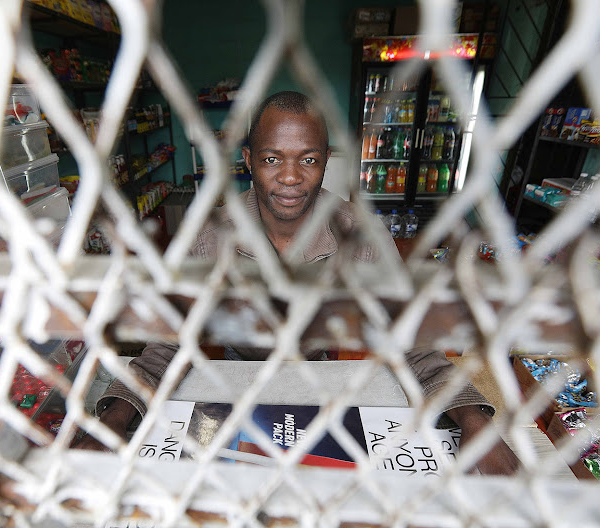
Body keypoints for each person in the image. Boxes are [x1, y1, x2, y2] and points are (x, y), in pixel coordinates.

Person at [74, 91, 519, 475]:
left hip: (325, 381)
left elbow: (412, 342)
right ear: (248, 160)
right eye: (272, 159)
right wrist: (111, 419)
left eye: (308, 159)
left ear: (327, 160)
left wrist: (477, 423)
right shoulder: (208, 236)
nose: (290, 177)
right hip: (234, 380)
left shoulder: (361, 236)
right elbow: (167, 343)